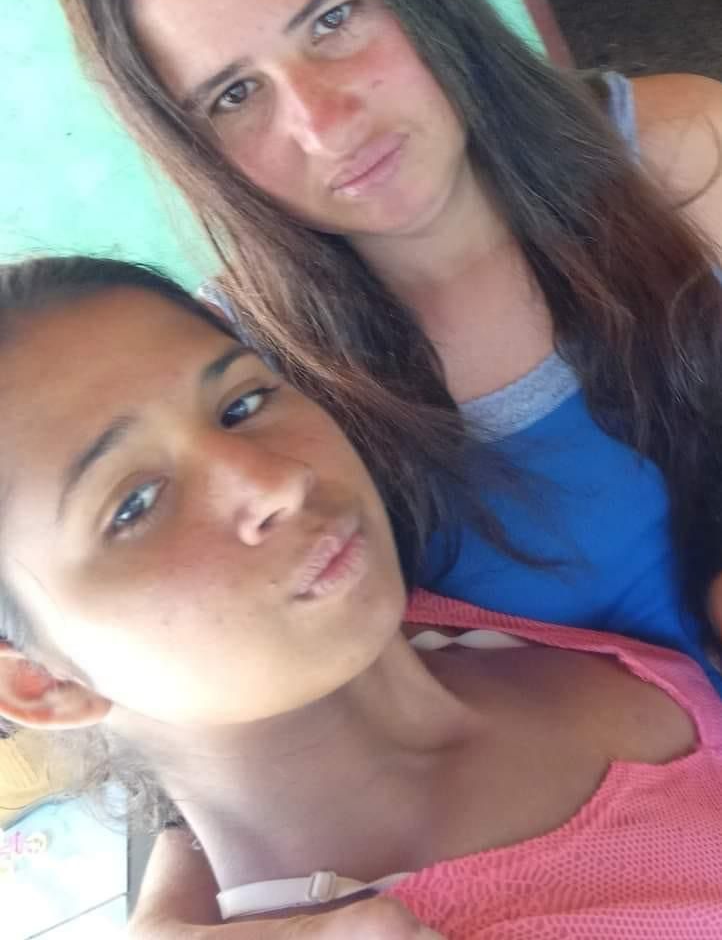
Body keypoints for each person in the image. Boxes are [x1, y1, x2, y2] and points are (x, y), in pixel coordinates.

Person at [48, 0, 722, 931]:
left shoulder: (678, 157)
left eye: (332, 19)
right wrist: (167, 910)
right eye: (233, 95)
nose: (324, 124)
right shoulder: (248, 386)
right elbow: (195, 681)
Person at [0, 254, 721, 940]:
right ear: (39, 680)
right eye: (134, 505)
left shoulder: (413, 620)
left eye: (241, 404)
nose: (280, 480)